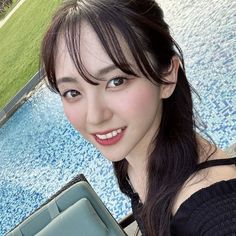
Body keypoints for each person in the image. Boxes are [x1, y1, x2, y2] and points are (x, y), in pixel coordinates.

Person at [40, 0, 236, 235]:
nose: (94, 117)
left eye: (116, 81)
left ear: (167, 77)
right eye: (73, 92)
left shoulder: (214, 217)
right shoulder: (131, 158)